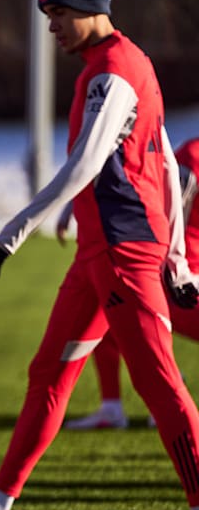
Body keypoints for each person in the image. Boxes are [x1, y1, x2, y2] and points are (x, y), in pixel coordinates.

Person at [0, 0, 199, 510]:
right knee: (49, 373)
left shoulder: (114, 70)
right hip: (102, 253)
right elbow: (165, 161)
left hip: (123, 253)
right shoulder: (119, 63)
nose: (52, 27)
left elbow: (85, 163)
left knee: (158, 382)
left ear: (92, 7)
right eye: (49, 15)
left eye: (60, 13)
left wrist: (11, 232)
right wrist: (172, 254)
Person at [62, 136, 199, 431]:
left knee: (108, 301)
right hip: (183, 277)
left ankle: (164, 388)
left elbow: (164, 201)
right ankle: (114, 407)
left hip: (182, 282)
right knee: (107, 305)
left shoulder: (191, 153)